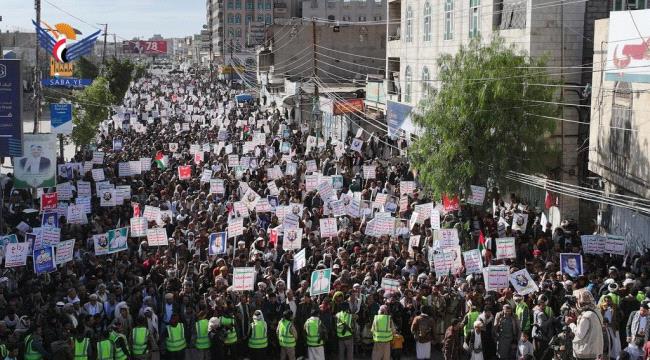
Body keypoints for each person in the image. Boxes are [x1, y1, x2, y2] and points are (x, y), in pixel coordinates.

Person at [567, 290, 604, 360]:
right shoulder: (596, 311)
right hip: (594, 350)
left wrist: (570, 324)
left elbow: (580, 334)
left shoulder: (586, 316)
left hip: (585, 353)